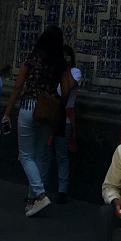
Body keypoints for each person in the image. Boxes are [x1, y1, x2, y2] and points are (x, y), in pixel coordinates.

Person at [1, 24, 74, 217]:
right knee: (40, 154)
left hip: (29, 106)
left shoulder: (31, 59)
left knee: (25, 155)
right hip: (49, 109)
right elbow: (66, 90)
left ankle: (40, 195)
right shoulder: (62, 62)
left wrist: (7, 112)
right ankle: (32, 201)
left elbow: (17, 88)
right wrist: (58, 107)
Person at [51, 44, 81, 204]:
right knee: (45, 154)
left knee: (62, 155)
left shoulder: (75, 72)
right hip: (50, 115)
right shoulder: (54, 71)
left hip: (65, 117)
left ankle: (62, 190)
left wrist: (66, 67)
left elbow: (67, 89)